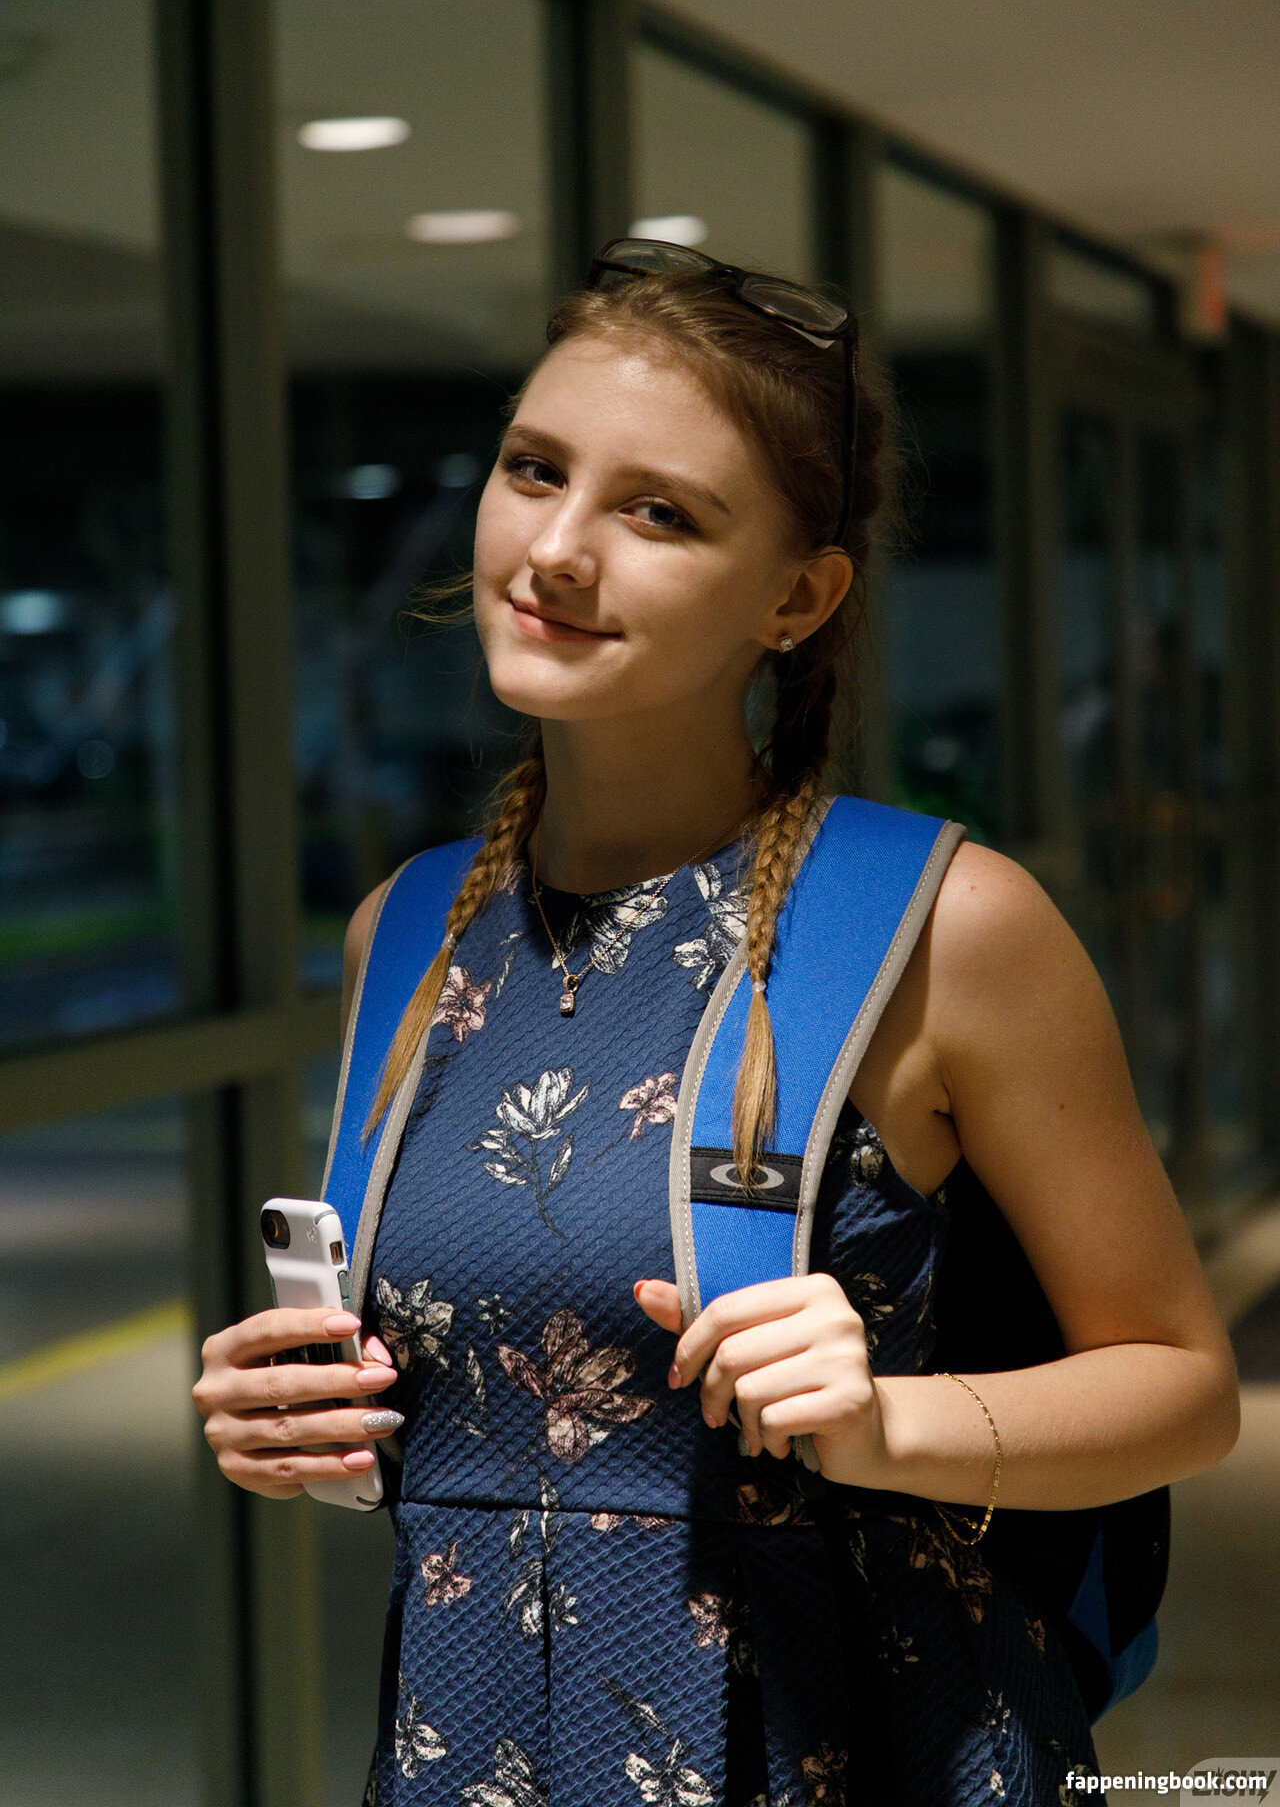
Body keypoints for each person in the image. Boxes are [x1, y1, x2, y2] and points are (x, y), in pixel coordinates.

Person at [194, 240, 1239, 1806]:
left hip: (847, 1741)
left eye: (660, 513)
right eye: (534, 469)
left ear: (797, 597)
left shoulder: (939, 927)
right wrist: (299, 1417)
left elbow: (1182, 1382)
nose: (556, 549)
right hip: (468, 1742)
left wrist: (884, 1422)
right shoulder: (408, 930)